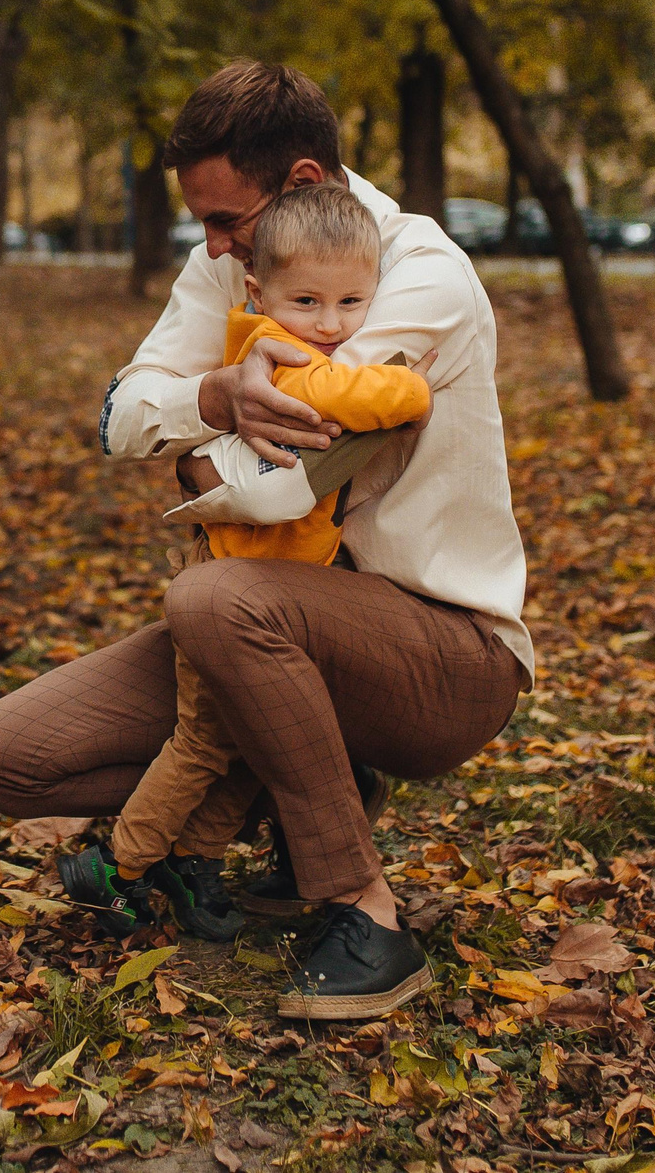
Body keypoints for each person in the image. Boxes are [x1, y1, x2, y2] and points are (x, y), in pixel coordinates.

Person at [0, 60, 529, 1021]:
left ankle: (365, 911)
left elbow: (283, 478)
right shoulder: (234, 261)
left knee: (210, 597)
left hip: (445, 654)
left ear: (302, 180)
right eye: (206, 224)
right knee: (5, 755)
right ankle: (313, 775)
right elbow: (120, 414)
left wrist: (193, 461)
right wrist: (218, 395)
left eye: (226, 219)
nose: (213, 244)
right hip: (272, 623)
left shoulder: (423, 274)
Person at [56, 183, 430, 943]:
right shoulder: (279, 354)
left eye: (352, 303)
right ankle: (117, 865)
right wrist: (413, 381)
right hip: (226, 588)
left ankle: (194, 859)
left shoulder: (305, 338)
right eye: (308, 302)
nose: (331, 324)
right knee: (202, 742)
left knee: (240, 743)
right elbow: (376, 395)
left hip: (272, 589)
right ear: (260, 294)